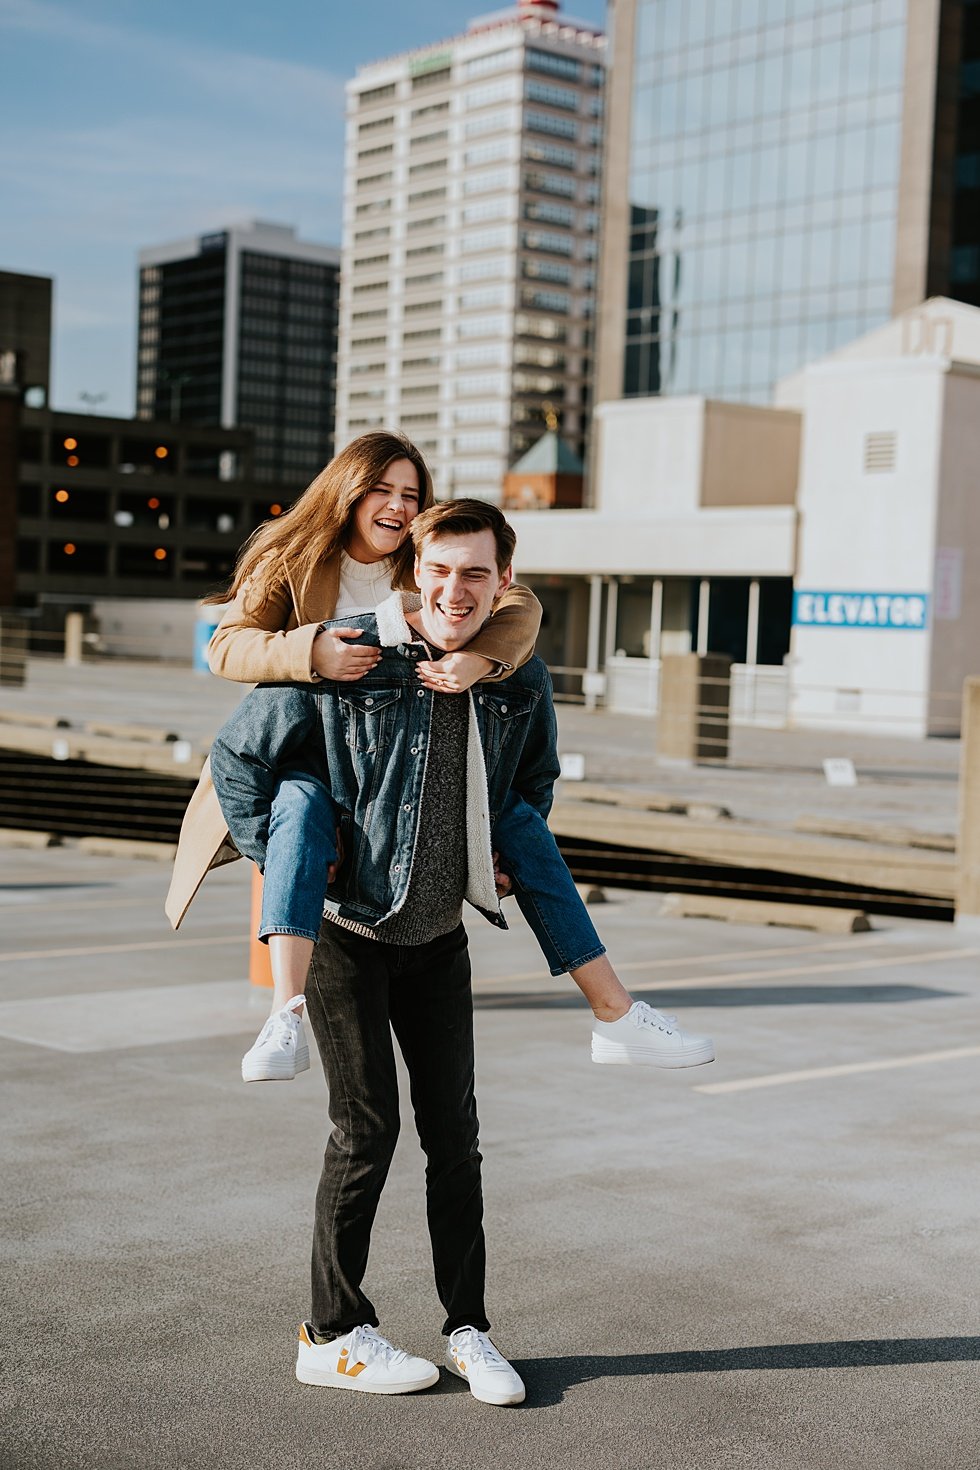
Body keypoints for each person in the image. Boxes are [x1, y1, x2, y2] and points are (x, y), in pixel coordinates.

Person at [165, 431, 714, 1080]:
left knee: (514, 819)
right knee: (301, 806)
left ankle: (616, 1015)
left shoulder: (426, 556)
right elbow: (227, 650)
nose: (398, 506)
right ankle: (285, 1016)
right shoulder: (293, 557)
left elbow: (516, 601)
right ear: (347, 491)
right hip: (309, 744)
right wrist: (313, 652)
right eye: (381, 490)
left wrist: (480, 658)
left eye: (411, 493)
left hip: (398, 757)